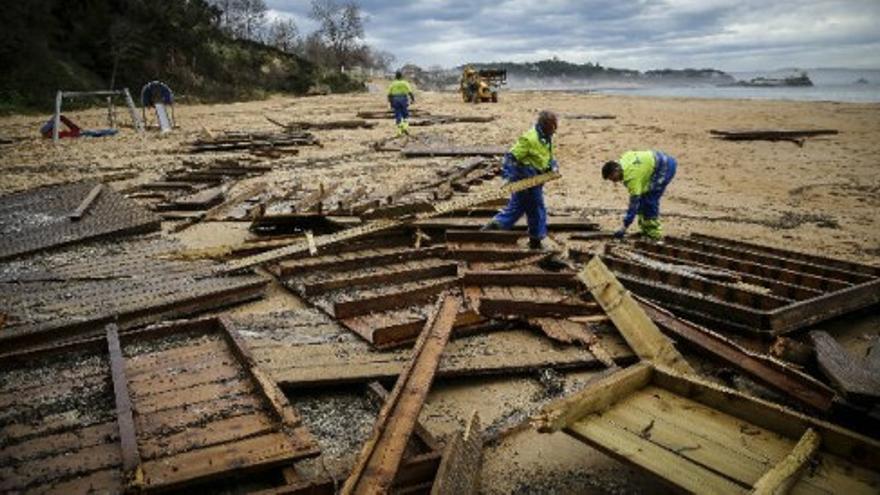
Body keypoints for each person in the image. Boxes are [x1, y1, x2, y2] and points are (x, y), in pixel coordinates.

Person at [482, 111, 559, 249]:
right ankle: (535, 240)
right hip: (526, 180)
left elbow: (546, 155)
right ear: (545, 125)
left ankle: (495, 226)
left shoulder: (546, 137)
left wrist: (552, 166)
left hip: (536, 178)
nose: (555, 129)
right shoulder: (529, 138)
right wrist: (509, 177)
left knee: (518, 208)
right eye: (553, 126)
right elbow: (510, 158)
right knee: (536, 209)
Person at [602, 150, 678, 241]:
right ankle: (646, 231)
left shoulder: (632, 178)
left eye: (613, 178)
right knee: (643, 198)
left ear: (616, 170)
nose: (614, 181)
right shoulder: (623, 159)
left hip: (665, 168)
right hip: (658, 162)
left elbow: (633, 205)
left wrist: (624, 227)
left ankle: (654, 235)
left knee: (650, 201)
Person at [387, 71, 415, 136]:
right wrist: (413, 99)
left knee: (398, 114)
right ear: (401, 76)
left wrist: (391, 103)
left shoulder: (393, 84)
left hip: (395, 99)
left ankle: (399, 131)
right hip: (403, 99)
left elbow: (389, 94)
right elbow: (410, 92)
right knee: (405, 114)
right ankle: (404, 127)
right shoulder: (405, 83)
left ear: (395, 76)